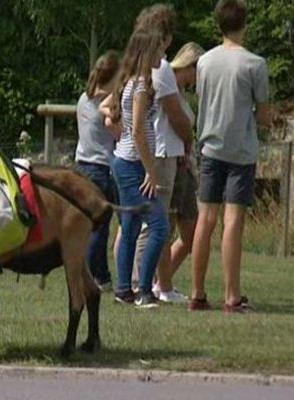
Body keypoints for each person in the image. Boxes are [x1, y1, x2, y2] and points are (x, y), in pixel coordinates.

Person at [190, 0, 271, 313]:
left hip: (210, 147)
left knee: (205, 219)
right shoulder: (255, 64)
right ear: (244, 25)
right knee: (232, 220)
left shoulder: (204, 62)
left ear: (219, 25)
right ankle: (231, 295)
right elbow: (264, 116)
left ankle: (197, 293)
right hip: (241, 151)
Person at [100, 29, 170, 308]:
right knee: (159, 225)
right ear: (147, 52)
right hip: (132, 165)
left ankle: (123, 290)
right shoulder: (140, 85)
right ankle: (144, 290)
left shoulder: (130, 81)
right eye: (159, 50)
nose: (162, 55)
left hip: (125, 161)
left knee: (129, 227)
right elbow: (139, 131)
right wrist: (151, 171)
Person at [132, 4, 194, 304]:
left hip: (151, 150)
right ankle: (142, 284)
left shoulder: (137, 64)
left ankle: (146, 282)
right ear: (165, 37)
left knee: (145, 221)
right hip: (163, 151)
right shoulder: (162, 68)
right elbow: (176, 115)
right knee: (156, 222)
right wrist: (189, 139)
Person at [75, 50, 122, 292]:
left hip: (82, 165)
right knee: (100, 228)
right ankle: (99, 277)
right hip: (101, 168)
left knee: (88, 226)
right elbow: (117, 131)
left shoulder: (85, 98)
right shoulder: (107, 103)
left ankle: (91, 273)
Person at [166, 42, 205, 281]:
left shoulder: (182, 92)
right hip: (176, 164)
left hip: (186, 167)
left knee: (190, 235)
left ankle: (162, 278)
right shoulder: (168, 86)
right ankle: (157, 281)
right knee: (168, 229)